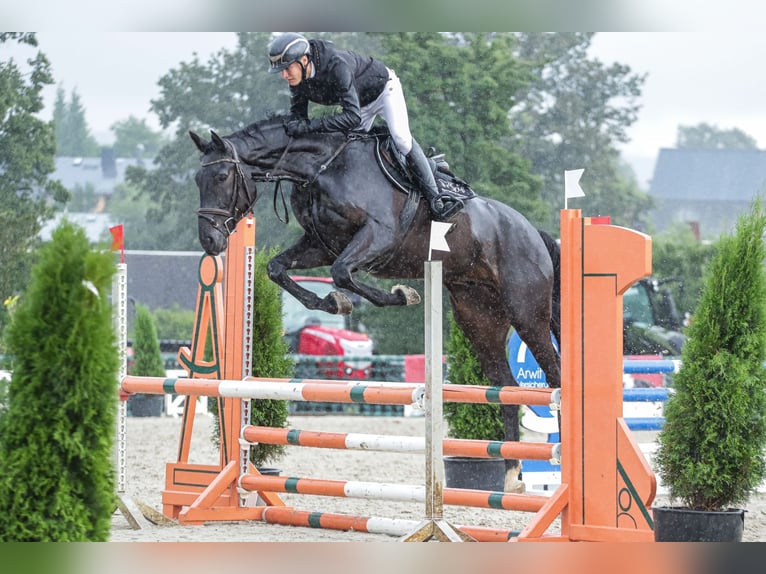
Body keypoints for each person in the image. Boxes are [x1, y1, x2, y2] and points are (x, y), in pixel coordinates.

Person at [267, 32, 463, 221]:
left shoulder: (336, 65)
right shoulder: (297, 79)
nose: (284, 75)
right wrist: (289, 126)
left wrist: (311, 126)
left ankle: (437, 197)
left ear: (303, 60)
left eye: (287, 68)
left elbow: (351, 117)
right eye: (281, 71)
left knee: (401, 138)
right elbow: (299, 117)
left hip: (384, 90)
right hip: (359, 104)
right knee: (345, 150)